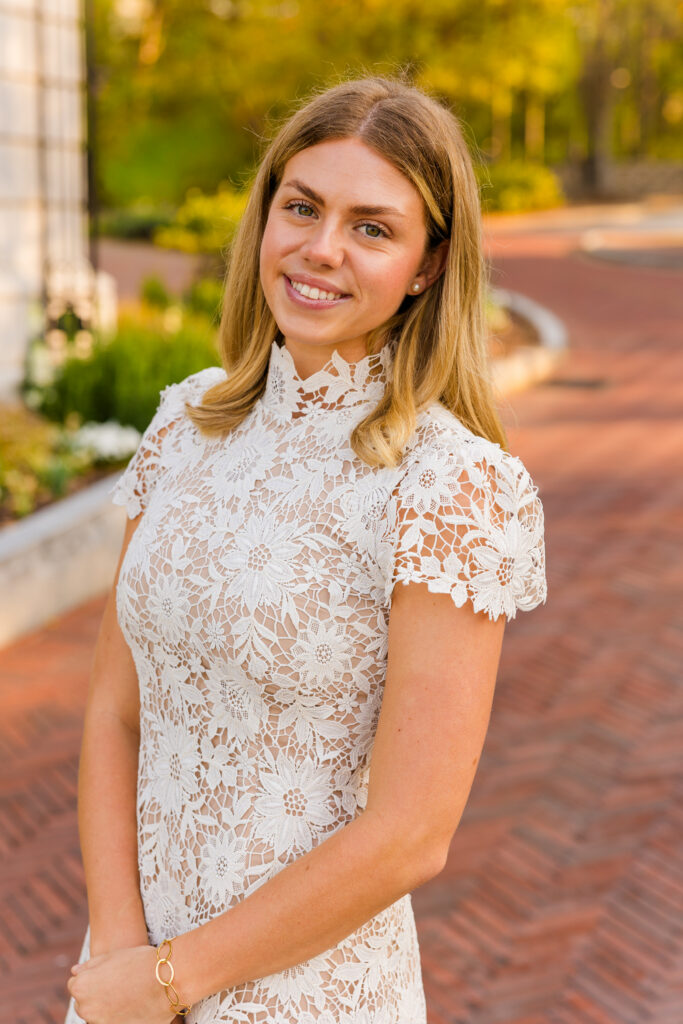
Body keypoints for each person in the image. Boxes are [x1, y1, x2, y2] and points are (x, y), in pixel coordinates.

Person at [64, 73, 547, 1024]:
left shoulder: (448, 483)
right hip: (126, 975)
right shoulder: (185, 425)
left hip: (309, 992)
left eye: (371, 227)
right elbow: (116, 714)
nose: (320, 250)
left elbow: (412, 832)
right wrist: (121, 954)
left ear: (426, 265)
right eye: (302, 208)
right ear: (264, 217)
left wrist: (172, 981)